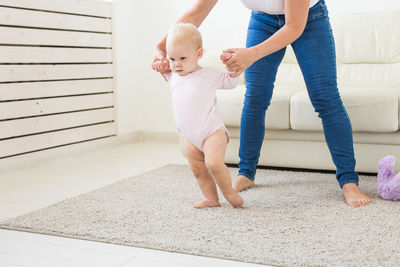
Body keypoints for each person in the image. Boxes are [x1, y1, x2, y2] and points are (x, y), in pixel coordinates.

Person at [152, 0, 371, 207]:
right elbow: (196, 12)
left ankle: (348, 181)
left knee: (325, 97)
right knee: (255, 96)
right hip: (263, 20)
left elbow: (294, 26)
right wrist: (161, 47)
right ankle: (246, 173)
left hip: (309, 20)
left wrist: (252, 54)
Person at [154, 23, 244, 208]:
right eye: (172, 58)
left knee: (213, 164)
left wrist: (232, 68)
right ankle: (212, 198)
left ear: (199, 54)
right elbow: (164, 70)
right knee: (197, 169)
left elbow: (229, 83)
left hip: (211, 131)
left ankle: (230, 194)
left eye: (182, 58)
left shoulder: (209, 74)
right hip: (189, 135)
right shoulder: (173, 76)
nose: (176, 63)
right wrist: (161, 65)